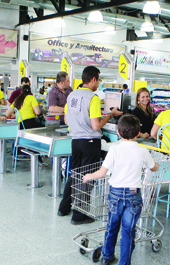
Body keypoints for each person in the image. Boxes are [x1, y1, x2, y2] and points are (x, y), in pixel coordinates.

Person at [83, 114, 159, 265]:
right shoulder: (143, 151)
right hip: (133, 196)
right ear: (138, 133)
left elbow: (102, 173)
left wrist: (88, 176)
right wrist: (156, 164)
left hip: (115, 194)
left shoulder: (114, 150)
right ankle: (124, 263)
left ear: (118, 132)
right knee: (128, 232)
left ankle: (107, 257)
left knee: (112, 227)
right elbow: (154, 167)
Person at [57, 66, 122, 225]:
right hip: (90, 142)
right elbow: (96, 126)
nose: (98, 83)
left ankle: (64, 208)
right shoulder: (92, 98)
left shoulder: (71, 95)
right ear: (93, 79)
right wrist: (110, 115)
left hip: (76, 141)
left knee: (75, 174)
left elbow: (66, 120)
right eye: (98, 80)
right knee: (87, 178)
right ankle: (79, 215)